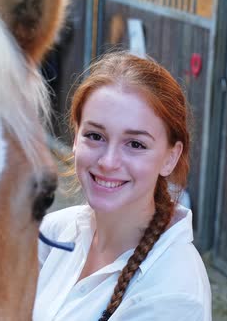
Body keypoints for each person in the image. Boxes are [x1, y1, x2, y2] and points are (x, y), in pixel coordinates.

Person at [33, 52, 212, 321]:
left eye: (136, 144)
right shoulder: (52, 233)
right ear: (75, 138)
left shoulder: (174, 296)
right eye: (95, 136)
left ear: (170, 157)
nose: (108, 162)